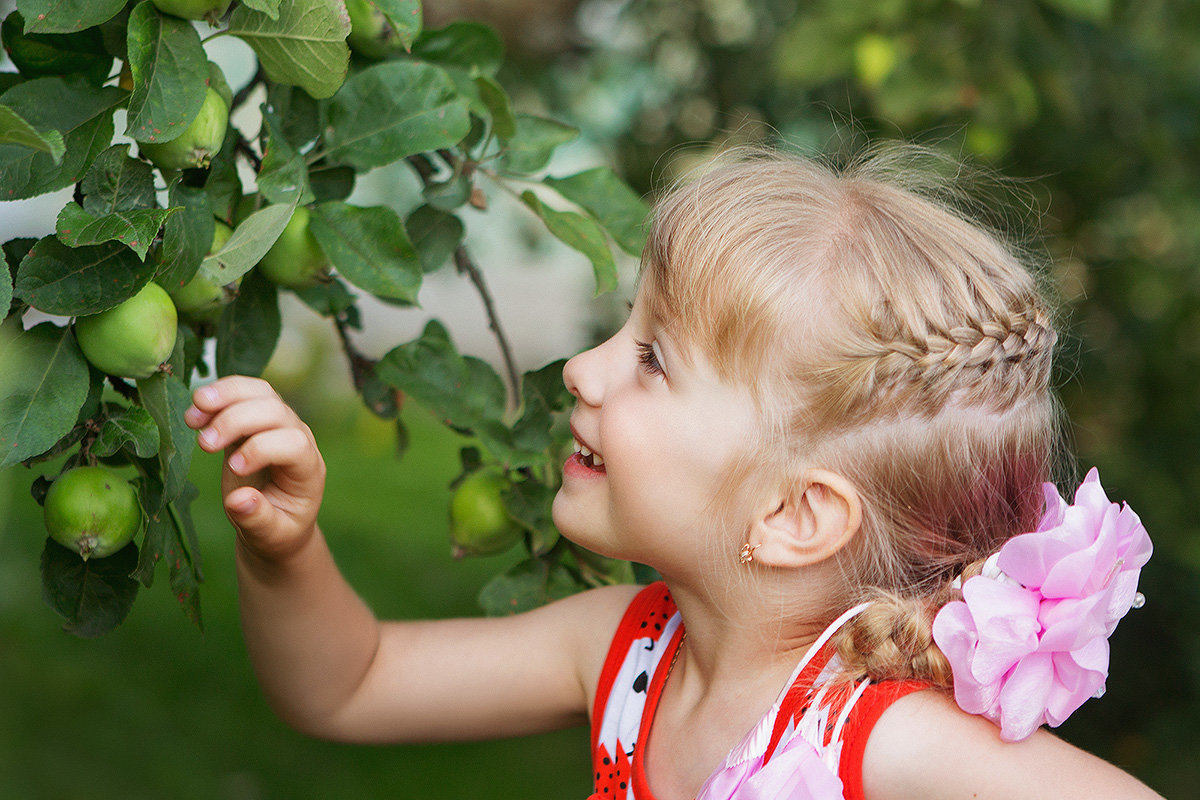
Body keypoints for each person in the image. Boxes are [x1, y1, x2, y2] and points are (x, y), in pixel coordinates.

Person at [185, 148, 1163, 799]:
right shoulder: (628, 652)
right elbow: (348, 686)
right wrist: (287, 550)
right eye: (628, 326)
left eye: (653, 358)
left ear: (792, 511)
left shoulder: (878, 737)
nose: (585, 368)